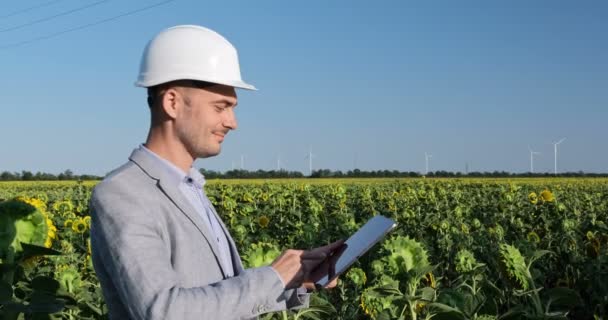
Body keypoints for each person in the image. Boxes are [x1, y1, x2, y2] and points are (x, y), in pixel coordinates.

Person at [89, 25, 344, 320]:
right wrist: (271, 277)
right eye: (221, 107)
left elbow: (215, 293)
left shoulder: (189, 186)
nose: (232, 122)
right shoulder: (123, 193)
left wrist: (294, 280)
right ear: (172, 102)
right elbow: (164, 311)